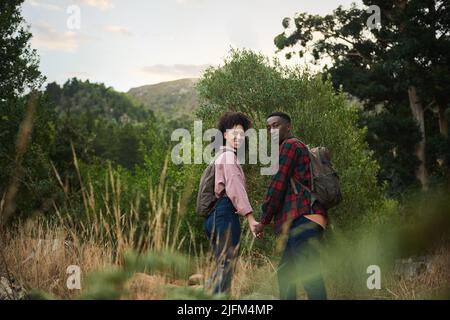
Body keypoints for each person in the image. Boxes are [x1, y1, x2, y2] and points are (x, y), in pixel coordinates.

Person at [255, 111, 328, 300]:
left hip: (303, 217)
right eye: (268, 127)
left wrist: (264, 220)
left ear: (288, 127)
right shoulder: (294, 147)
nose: (271, 130)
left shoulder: (290, 146)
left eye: (276, 125)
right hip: (303, 218)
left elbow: (278, 184)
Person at [204, 111, 259, 296]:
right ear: (225, 135)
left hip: (213, 218)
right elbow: (235, 190)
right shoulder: (228, 157)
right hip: (224, 215)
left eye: (242, 134)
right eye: (234, 133)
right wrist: (250, 218)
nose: (239, 137)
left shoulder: (218, 156)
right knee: (226, 268)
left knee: (222, 267)